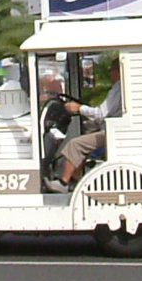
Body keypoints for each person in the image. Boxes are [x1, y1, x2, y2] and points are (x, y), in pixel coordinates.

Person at [50, 58, 122, 190]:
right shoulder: (120, 88)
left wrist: (79, 108)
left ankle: (63, 183)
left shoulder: (118, 88)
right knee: (85, 141)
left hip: (113, 134)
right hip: (112, 131)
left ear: (118, 71)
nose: (111, 73)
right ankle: (76, 180)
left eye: (112, 70)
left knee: (76, 144)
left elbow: (101, 113)